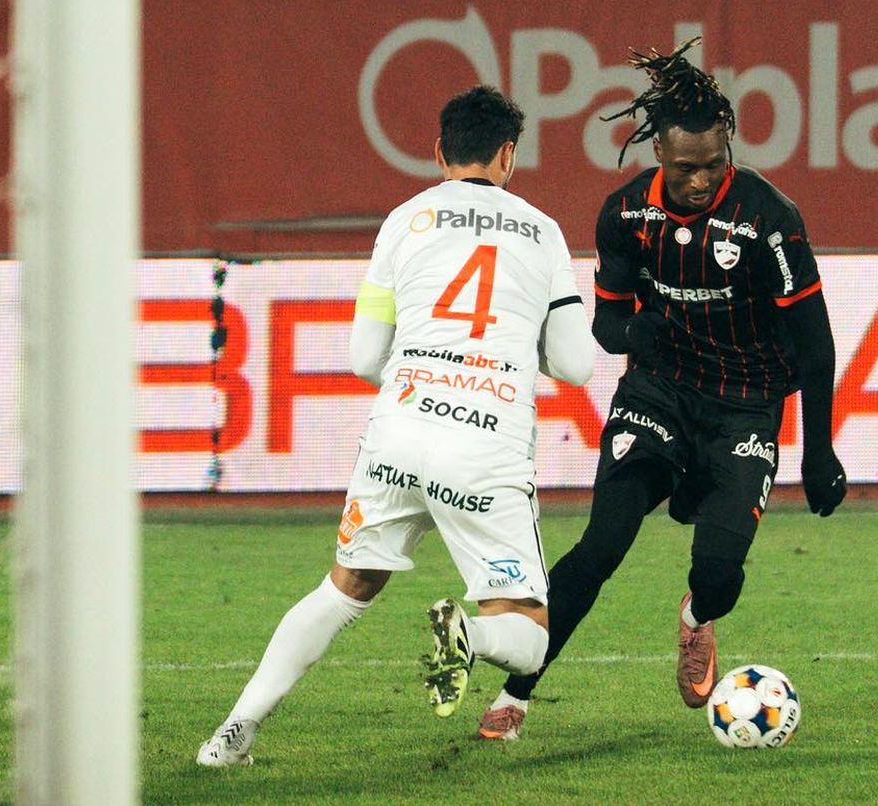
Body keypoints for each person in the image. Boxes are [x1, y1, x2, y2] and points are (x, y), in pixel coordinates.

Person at [196, 85, 595, 766]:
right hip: (486, 445)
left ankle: (232, 733)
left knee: (343, 589)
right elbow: (576, 365)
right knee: (529, 633)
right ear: (508, 155)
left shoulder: (404, 221)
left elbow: (362, 359)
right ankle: (467, 632)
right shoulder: (544, 232)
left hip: (399, 435)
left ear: (439, 153)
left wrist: (429, 375)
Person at [477, 39, 847, 742]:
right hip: (658, 395)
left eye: (713, 164)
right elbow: (607, 323)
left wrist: (820, 450)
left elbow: (815, 343)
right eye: (685, 168)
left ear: (727, 146)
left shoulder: (769, 220)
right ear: (659, 154)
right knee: (601, 546)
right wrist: (634, 332)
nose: (701, 180)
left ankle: (696, 617)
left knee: (718, 572)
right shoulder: (625, 215)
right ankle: (515, 694)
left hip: (744, 404)